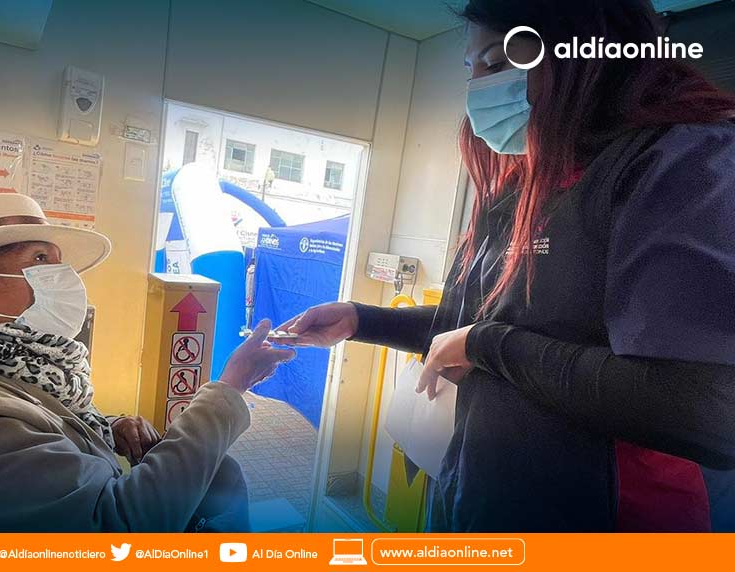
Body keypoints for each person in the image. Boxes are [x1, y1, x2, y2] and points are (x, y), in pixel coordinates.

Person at [282, 0, 735, 531]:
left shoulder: (677, 162)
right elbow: (469, 327)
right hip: (485, 498)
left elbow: (702, 409)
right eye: (471, 69)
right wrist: (362, 319)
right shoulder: (526, 185)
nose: (477, 89)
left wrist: (486, 347)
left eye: (498, 63)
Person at [0, 193, 295, 531]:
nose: (65, 279)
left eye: (59, 263)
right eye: (39, 260)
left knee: (219, 476)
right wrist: (228, 390)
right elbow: (118, 528)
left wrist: (105, 429)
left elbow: (40, 429)